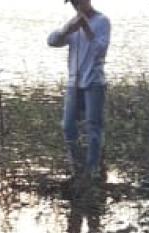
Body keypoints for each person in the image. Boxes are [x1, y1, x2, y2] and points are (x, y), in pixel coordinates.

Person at [47, 0, 110, 179]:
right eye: (74, 3)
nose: (77, 6)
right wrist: (67, 30)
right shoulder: (73, 23)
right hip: (74, 83)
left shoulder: (102, 21)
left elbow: (100, 50)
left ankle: (92, 170)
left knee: (93, 127)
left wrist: (87, 29)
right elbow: (52, 41)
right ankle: (78, 167)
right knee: (68, 126)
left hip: (94, 83)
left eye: (79, 2)